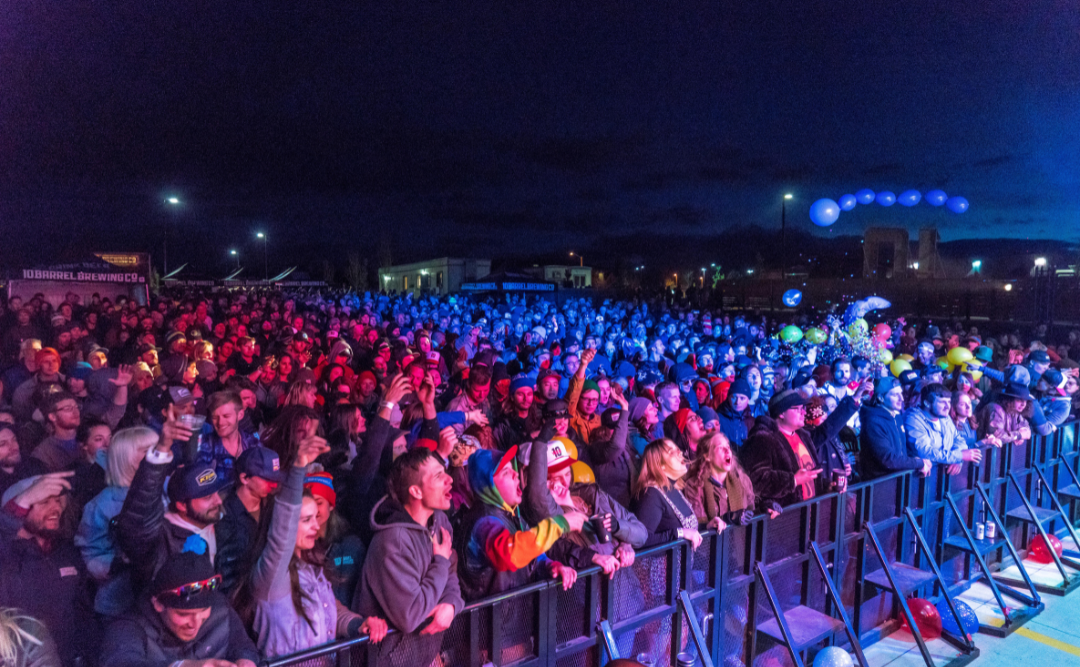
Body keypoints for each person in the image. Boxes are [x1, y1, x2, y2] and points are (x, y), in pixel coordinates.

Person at [233, 428, 387, 659]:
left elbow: (330, 609)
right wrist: (297, 469)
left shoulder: (311, 566)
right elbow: (281, 535)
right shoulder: (272, 578)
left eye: (316, 516)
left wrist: (358, 624)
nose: (316, 525)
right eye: (306, 519)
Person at [354, 447, 465, 667]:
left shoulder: (439, 521)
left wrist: (452, 605)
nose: (449, 479)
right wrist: (440, 563)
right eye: (438, 475)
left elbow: (451, 572)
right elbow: (410, 615)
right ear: (416, 491)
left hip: (424, 654)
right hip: (388, 661)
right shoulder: (392, 540)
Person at [115, 408, 232, 589]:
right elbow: (137, 519)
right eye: (207, 497)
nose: (218, 501)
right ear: (182, 505)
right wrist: (161, 448)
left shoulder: (218, 522)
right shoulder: (159, 540)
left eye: (216, 493)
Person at [456, 440, 586, 600]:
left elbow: (534, 555)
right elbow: (510, 553)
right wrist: (560, 524)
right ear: (488, 485)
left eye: (513, 469)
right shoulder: (483, 522)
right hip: (492, 623)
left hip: (513, 618)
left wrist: (551, 565)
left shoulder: (510, 513)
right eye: (505, 472)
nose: (516, 474)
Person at [0, 473, 100, 666]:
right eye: (44, 501)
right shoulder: (6, 555)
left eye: (57, 501)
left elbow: (84, 614)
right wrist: (22, 501)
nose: (55, 508)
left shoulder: (67, 553)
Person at [99, 551, 260, 667]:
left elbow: (243, 646)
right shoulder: (126, 626)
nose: (195, 623)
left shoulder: (221, 610)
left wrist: (246, 660)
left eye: (203, 611)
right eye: (183, 614)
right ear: (158, 604)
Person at [216, 446, 285, 595]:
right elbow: (224, 570)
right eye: (267, 479)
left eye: (276, 479)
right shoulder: (223, 515)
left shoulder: (272, 508)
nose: (273, 484)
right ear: (244, 478)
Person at [683, 432, 780, 528]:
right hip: (714, 543)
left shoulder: (742, 480)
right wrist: (728, 518)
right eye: (721, 447)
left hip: (741, 542)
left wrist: (765, 509)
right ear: (707, 456)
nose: (727, 450)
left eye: (728, 447)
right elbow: (696, 527)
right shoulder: (694, 486)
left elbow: (751, 515)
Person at [632, 439, 701, 549]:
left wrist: (708, 526)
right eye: (670, 451)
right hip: (661, 566)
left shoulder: (675, 489)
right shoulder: (651, 495)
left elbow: (688, 530)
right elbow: (640, 539)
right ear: (659, 465)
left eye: (677, 448)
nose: (680, 452)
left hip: (683, 565)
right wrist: (679, 533)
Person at [859, 377, 932, 480]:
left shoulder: (896, 417)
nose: (901, 398)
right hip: (880, 483)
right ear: (880, 398)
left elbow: (905, 447)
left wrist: (916, 457)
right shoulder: (873, 421)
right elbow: (888, 459)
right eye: (895, 395)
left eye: (901, 393)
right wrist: (918, 463)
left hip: (896, 479)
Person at [905, 384, 986, 475]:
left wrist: (957, 459)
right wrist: (960, 455)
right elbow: (925, 452)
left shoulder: (945, 417)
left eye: (949, 402)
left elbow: (959, 440)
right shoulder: (913, 420)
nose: (948, 407)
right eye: (942, 402)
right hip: (921, 480)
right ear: (927, 403)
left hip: (942, 477)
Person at [194, 390, 260, 481]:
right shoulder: (205, 446)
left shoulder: (253, 443)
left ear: (240, 415)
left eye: (226, 416)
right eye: (215, 417)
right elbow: (200, 484)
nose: (220, 422)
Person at [977, 381, 1033, 446]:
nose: (1023, 404)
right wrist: (1019, 435)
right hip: (984, 453)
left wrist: (1022, 435)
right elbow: (997, 435)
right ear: (1009, 399)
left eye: (1025, 400)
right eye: (1019, 399)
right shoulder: (995, 409)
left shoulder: (1015, 411)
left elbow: (1026, 429)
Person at [566, 349, 603, 444]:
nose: (591, 403)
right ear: (578, 398)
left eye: (595, 399)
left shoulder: (600, 420)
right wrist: (583, 365)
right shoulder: (571, 415)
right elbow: (574, 392)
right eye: (586, 399)